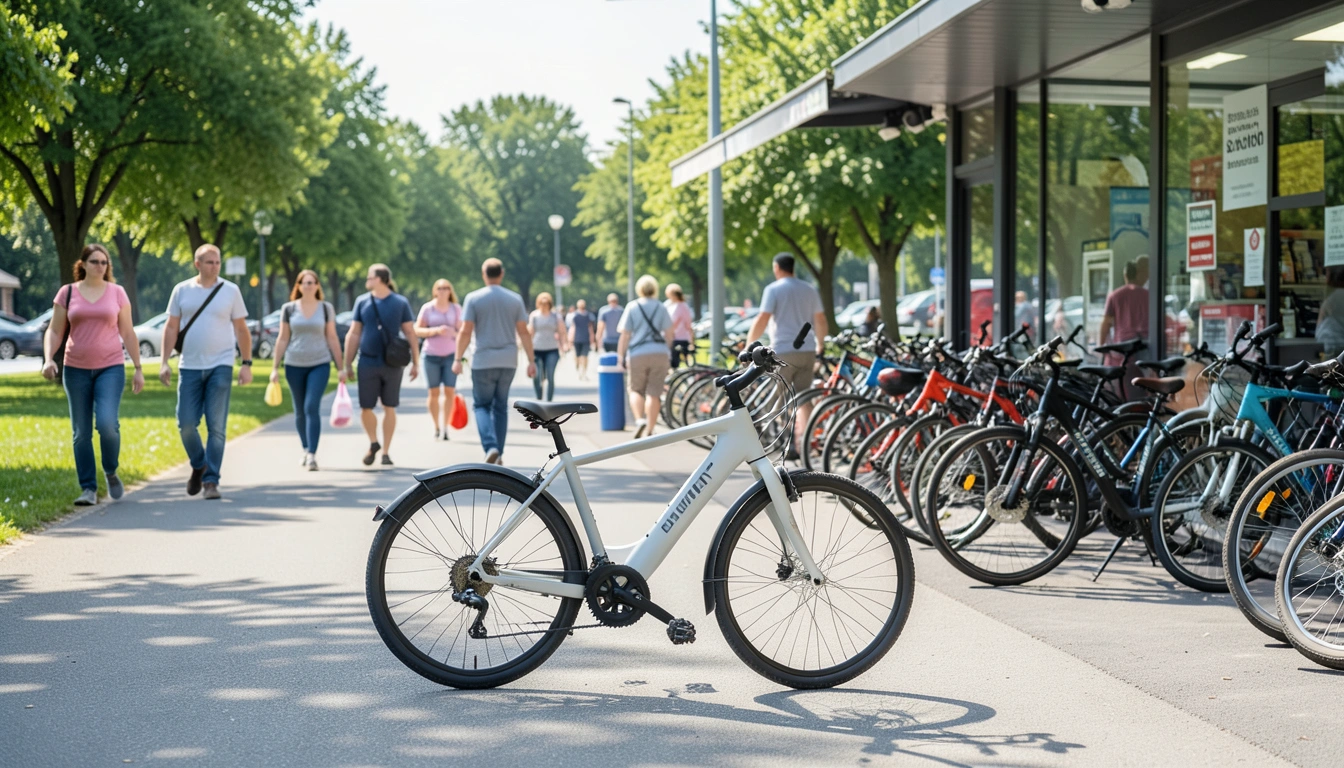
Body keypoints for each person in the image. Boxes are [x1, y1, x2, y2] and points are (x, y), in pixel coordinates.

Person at [41, 244, 144, 506]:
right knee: (81, 432)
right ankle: (88, 488)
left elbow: (128, 332)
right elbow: (55, 330)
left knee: (107, 424)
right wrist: (48, 358)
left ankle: (110, 470)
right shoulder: (67, 293)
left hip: (111, 367)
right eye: (95, 261)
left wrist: (138, 368)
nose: (100, 266)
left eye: (104, 262)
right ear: (83, 264)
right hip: (75, 369)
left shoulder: (117, 293)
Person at [159, 244, 252, 500]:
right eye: (210, 262)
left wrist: (246, 364)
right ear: (197, 264)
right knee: (186, 424)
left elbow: (241, 329)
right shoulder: (182, 290)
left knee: (216, 426)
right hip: (189, 365)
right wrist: (164, 361)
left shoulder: (231, 291)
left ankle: (211, 481)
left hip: (221, 365)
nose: (215, 266)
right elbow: (171, 327)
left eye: (218, 262)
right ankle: (199, 464)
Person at [453, 258, 535, 465]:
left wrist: (457, 358)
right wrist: (531, 360)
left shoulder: (473, 298)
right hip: (508, 360)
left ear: (484, 274)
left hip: (483, 359)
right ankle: (499, 453)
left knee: (481, 406)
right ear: (502, 273)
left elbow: (465, 331)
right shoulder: (515, 299)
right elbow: (523, 332)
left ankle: (491, 447)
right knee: (500, 407)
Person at [748, 253, 828, 459]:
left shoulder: (773, 289)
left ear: (777, 268)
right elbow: (820, 319)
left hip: (782, 350)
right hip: (807, 350)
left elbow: (763, 318)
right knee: (804, 397)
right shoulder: (809, 289)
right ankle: (806, 442)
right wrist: (820, 345)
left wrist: (750, 343)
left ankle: (787, 441)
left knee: (780, 397)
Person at [342, 263, 419, 467]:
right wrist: (347, 363)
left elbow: (410, 332)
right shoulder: (362, 302)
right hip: (367, 360)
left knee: (389, 406)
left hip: (392, 362)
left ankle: (386, 452)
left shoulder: (400, 302)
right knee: (366, 407)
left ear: (380, 279)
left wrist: (416, 362)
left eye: (370, 277)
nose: (367, 280)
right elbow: (354, 333)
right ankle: (374, 442)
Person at [269, 271, 344, 471]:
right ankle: (305, 447)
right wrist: (274, 368)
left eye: (312, 282)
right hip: (294, 364)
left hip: (319, 363)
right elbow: (283, 338)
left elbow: (332, 337)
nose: (309, 286)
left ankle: (312, 454)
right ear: (299, 286)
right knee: (300, 410)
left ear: (318, 286)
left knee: (311, 406)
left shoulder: (326, 308)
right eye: (305, 283)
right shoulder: (289, 309)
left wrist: (341, 367)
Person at [617, 275, 674, 439]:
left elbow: (625, 334)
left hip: (638, 353)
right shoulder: (661, 307)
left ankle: (640, 420)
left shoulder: (632, 306)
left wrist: (621, 356)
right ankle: (650, 428)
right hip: (660, 352)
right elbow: (670, 333)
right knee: (654, 392)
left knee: (635, 389)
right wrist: (666, 350)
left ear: (639, 289)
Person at [414, 279, 462, 440]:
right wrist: (435, 331)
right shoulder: (428, 308)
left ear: (450, 291)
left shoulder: (456, 309)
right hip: (431, 355)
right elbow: (417, 330)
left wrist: (452, 333)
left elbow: (463, 331)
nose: (442, 291)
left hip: (451, 355)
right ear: (435, 291)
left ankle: (446, 426)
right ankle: (436, 426)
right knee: (433, 392)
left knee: (449, 391)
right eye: (440, 288)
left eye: (446, 288)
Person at [1098, 259, 1150, 360]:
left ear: (1125, 275)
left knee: (1123, 369)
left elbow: (1106, 323)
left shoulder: (1115, 296)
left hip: (1123, 345)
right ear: (1137, 274)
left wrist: (1101, 348)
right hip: (1144, 344)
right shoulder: (1148, 295)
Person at [528, 292, 566, 401]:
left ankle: (549, 401)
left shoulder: (555, 316)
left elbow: (561, 332)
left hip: (552, 349)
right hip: (537, 349)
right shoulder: (534, 315)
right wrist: (527, 347)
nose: (544, 306)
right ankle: (539, 398)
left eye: (546, 303)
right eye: (542, 303)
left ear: (550, 304)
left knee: (550, 376)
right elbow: (530, 332)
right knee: (537, 376)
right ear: (538, 304)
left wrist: (563, 345)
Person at [664, 283, 694, 367]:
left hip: (677, 338)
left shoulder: (680, 307)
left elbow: (675, 323)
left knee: (675, 362)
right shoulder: (678, 305)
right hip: (681, 337)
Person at [568, 299, 596, 380]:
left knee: (585, 356)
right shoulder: (574, 315)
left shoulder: (588, 316)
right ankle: (578, 370)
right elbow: (573, 327)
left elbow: (590, 328)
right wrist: (570, 339)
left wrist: (592, 338)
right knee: (577, 356)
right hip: (577, 338)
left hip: (585, 338)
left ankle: (584, 372)